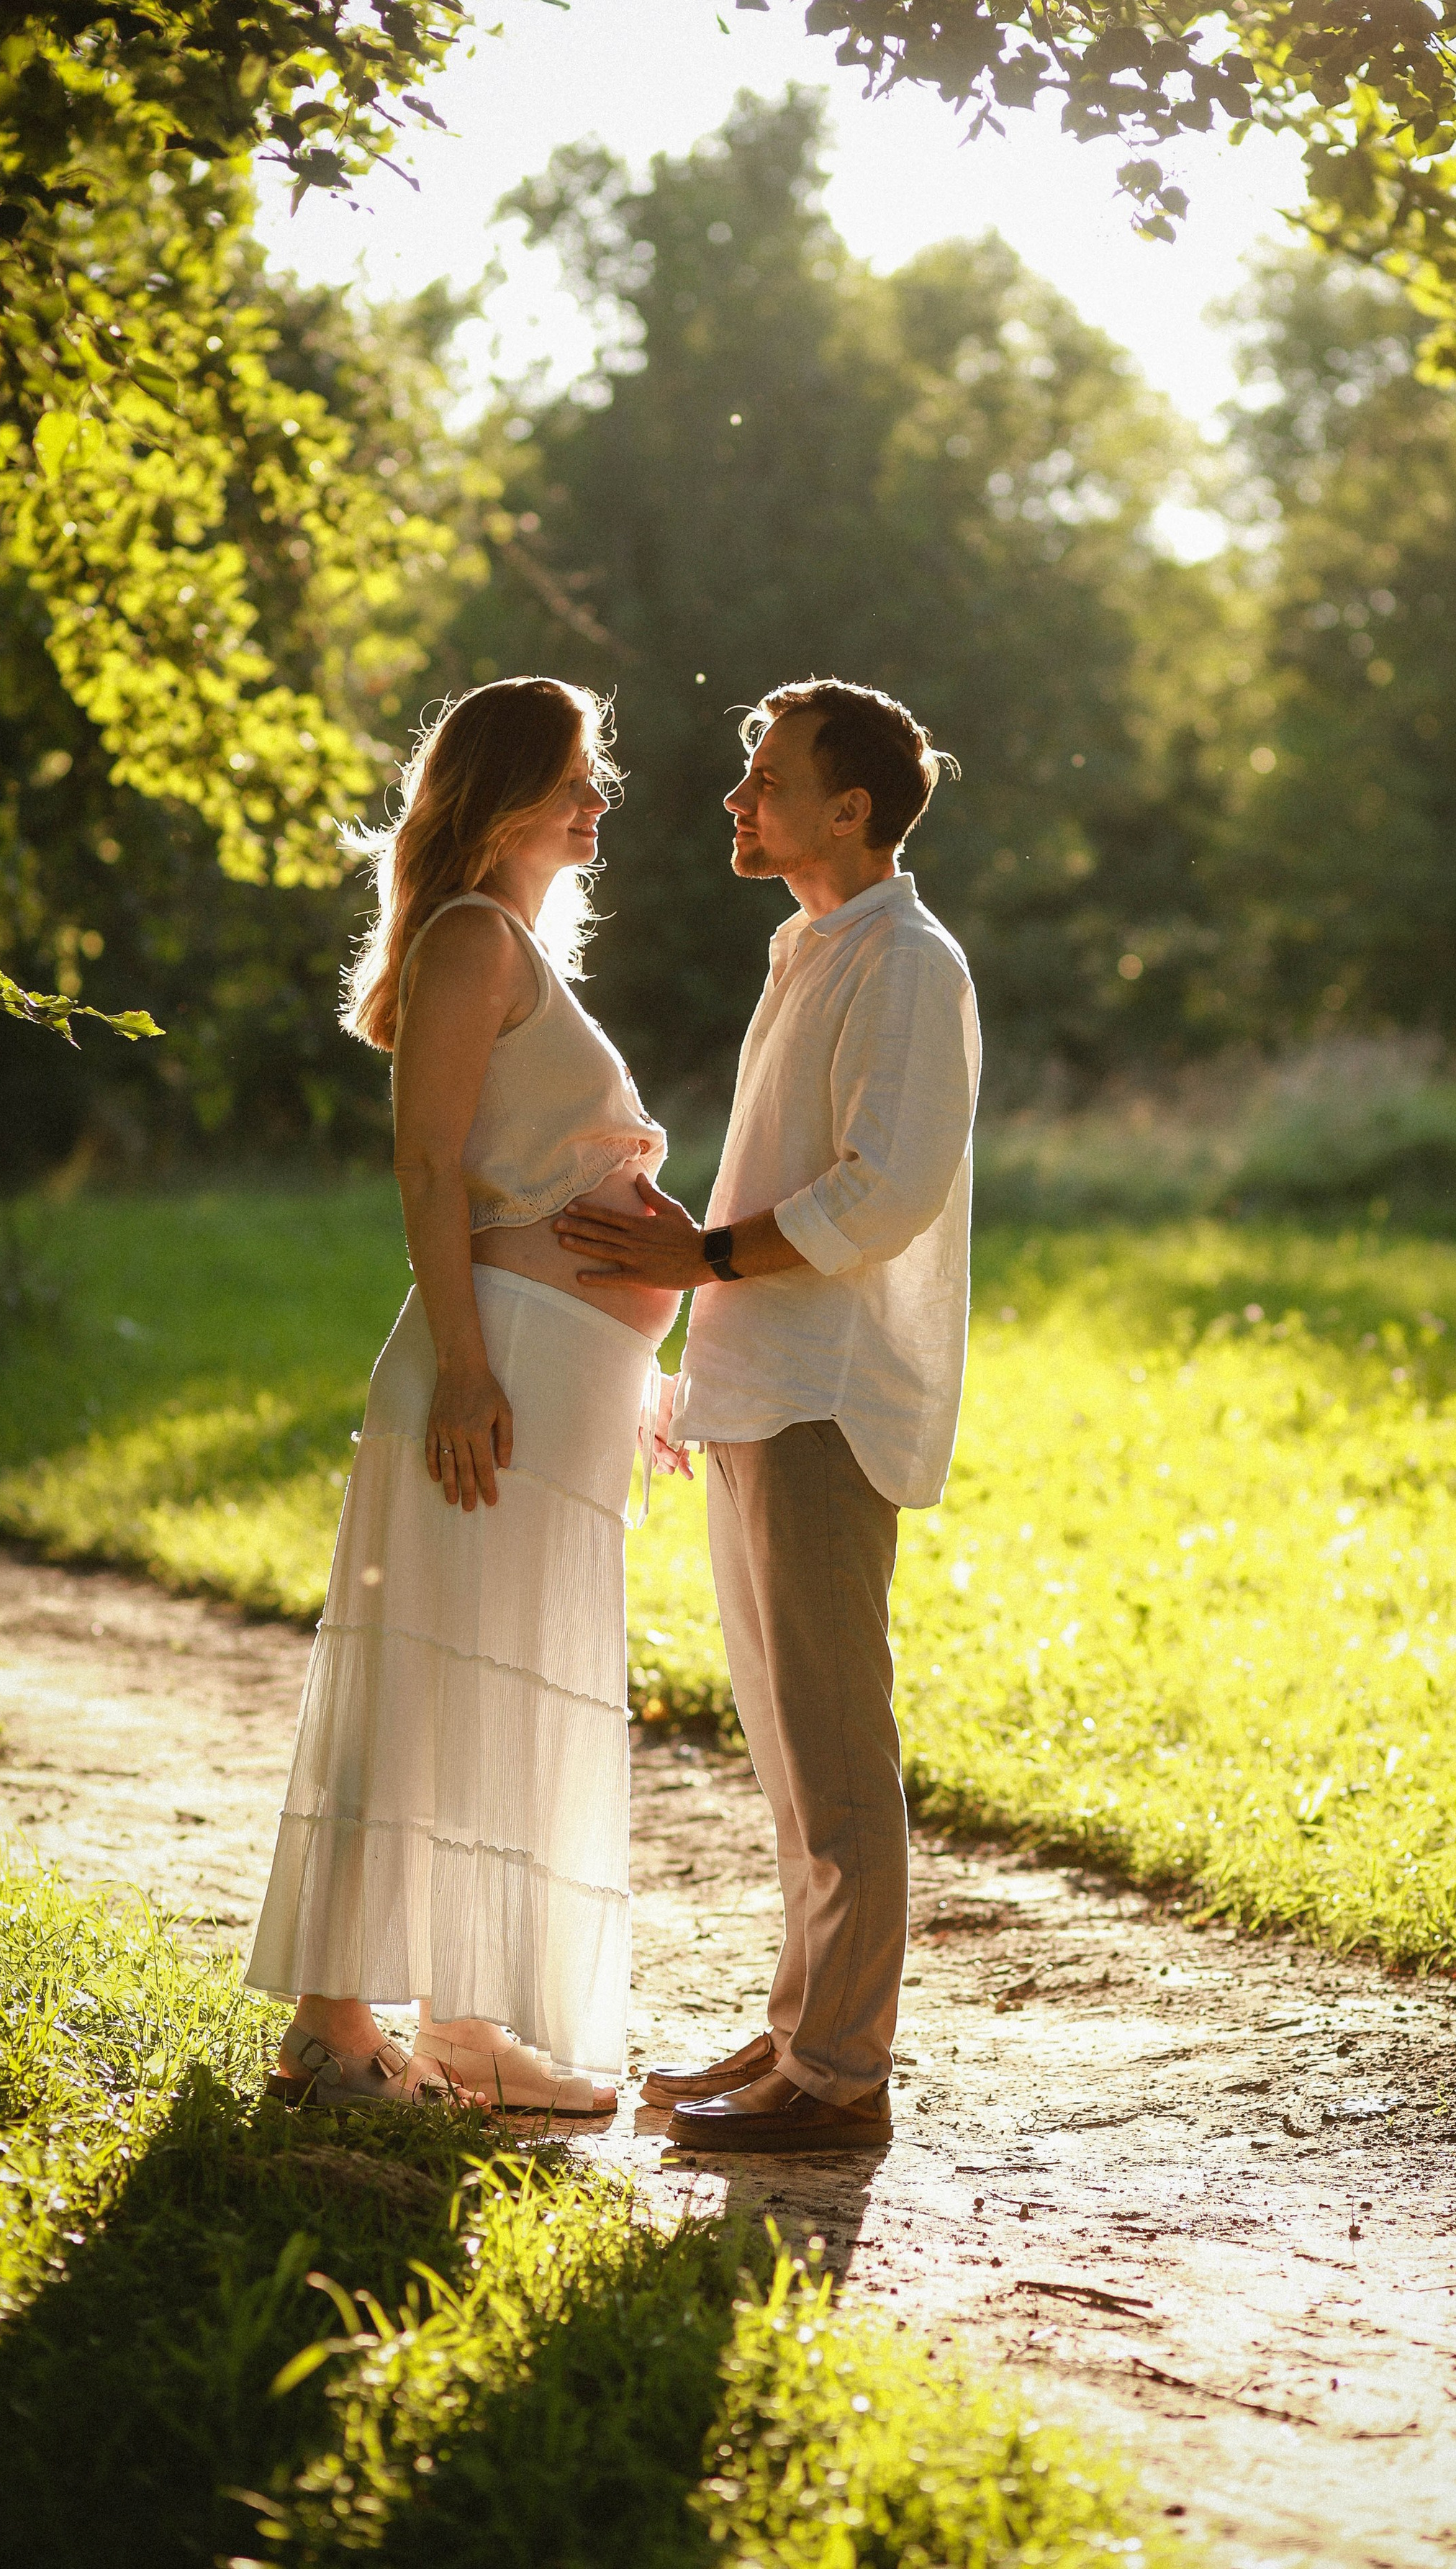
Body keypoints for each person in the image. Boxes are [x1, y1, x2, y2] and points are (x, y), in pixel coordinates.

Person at [247, 675, 683, 2116]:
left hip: (548, 1372)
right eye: (573, 778)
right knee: (435, 1675)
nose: (594, 803)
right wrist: (470, 1367)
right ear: (501, 797)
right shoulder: (470, 941)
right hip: (484, 1366)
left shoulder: (510, 951)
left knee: (510, 1689)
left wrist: (630, 1374)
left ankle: (471, 2031)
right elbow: (429, 1168)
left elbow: (546, 1178)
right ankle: (332, 2028)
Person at [556, 676, 979, 2152]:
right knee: (787, 1749)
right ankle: (803, 2033)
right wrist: (694, 1354)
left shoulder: (907, 963)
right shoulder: (809, 946)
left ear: (847, 808)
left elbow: (884, 1189)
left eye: (768, 777)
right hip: (757, 1390)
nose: (737, 799)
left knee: (832, 1744)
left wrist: (699, 1260)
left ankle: (839, 2077)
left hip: (828, 1400)